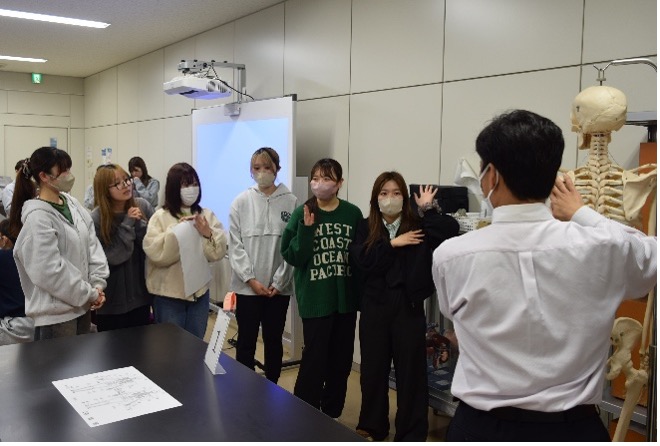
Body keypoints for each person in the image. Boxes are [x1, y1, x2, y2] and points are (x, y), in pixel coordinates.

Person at [431, 109, 657, 442]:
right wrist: (584, 214)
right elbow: (650, 257)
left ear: (491, 177)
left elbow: (453, 314)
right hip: (573, 429)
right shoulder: (603, 247)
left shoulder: (451, 256)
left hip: (482, 428)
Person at [349, 172, 459, 441]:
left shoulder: (417, 225)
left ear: (405, 198)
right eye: (384, 193)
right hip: (375, 306)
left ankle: (411, 432)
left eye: (396, 193)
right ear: (376, 198)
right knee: (373, 370)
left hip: (408, 307)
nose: (390, 198)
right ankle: (372, 426)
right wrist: (392, 244)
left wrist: (428, 208)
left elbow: (449, 229)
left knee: (411, 373)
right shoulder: (365, 226)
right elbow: (362, 260)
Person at [280, 158, 363, 418]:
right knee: (314, 361)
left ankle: (332, 414)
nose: (319, 183)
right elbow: (291, 256)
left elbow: (360, 257)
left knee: (341, 362)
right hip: (315, 300)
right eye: (315, 178)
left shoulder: (352, 214)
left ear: (339, 183)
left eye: (327, 178)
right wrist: (306, 231)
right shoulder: (303, 212)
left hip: (345, 301)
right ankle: (305, 414)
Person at [9, 147, 108, 340]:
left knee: (83, 359)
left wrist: (97, 284)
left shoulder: (72, 204)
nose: (68, 175)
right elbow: (49, 271)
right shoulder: (37, 217)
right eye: (63, 171)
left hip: (82, 307)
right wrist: (89, 293)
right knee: (59, 361)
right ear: (44, 176)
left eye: (69, 169)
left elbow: (91, 244)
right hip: (56, 315)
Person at [229, 147, 298, 383]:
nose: (262, 172)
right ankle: (245, 387)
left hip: (278, 290)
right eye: (256, 168)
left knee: (273, 340)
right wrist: (250, 279)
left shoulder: (291, 202)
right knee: (246, 340)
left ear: (277, 168)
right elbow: (235, 245)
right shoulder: (241, 202)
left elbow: (292, 246)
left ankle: (272, 388)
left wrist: (279, 282)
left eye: (267, 167)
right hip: (247, 288)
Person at [143, 162, 226, 338]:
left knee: (195, 344)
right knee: (170, 346)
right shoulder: (160, 217)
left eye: (194, 184)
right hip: (169, 297)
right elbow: (157, 254)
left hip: (199, 295)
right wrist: (178, 232)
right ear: (174, 188)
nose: (191, 189)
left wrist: (207, 233)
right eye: (186, 185)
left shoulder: (206, 215)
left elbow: (217, 253)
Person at [91, 164, 155, 332]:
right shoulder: (97, 218)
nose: (126, 185)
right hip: (111, 303)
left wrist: (140, 225)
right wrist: (128, 224)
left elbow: (152, 247)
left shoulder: (142, 206)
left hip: (141, 297)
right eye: (117, 183)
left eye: (126, 180)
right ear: (104, 190)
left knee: (141, 346)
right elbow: (112, 257)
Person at [0, 219, 35, 345]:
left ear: (4, 239)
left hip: (13, 329)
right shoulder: (32, 257)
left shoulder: (2, 258)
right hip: (38, 325)